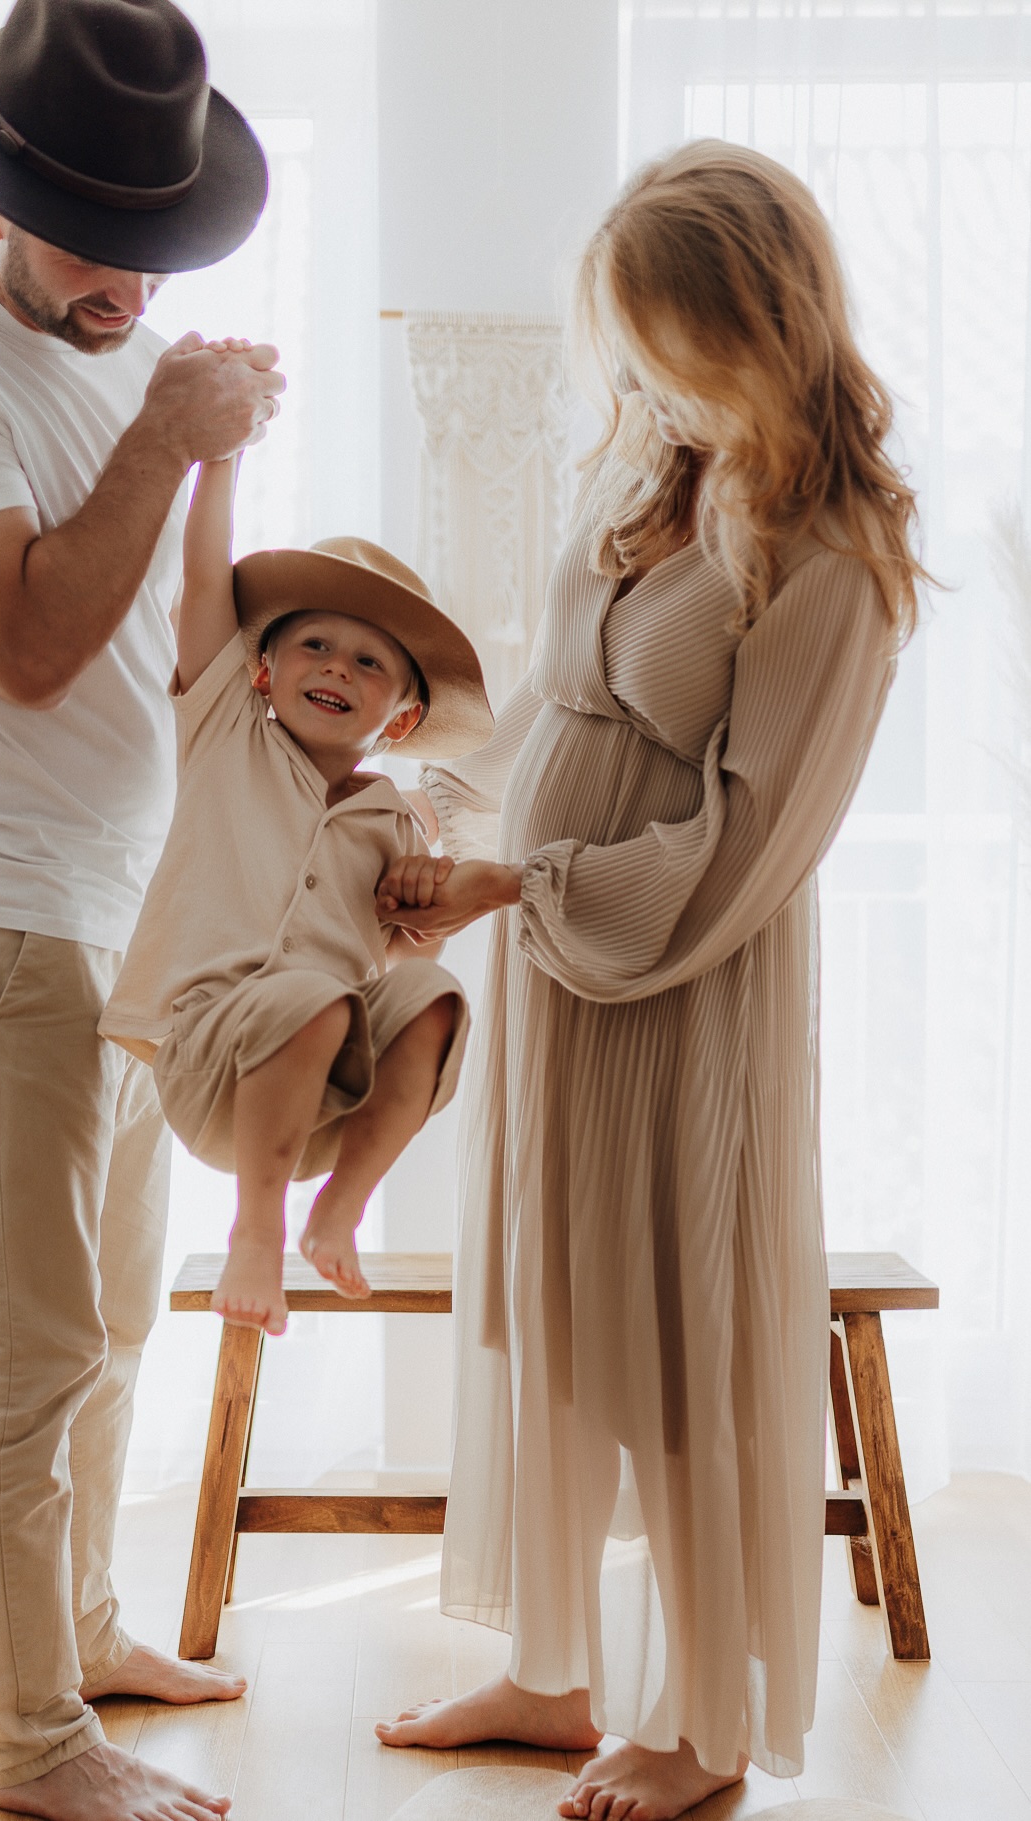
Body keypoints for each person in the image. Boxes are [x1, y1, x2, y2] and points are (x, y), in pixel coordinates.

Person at [372, 140, 926, 1820]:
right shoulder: (657, 477)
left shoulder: (834, 547)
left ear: (750, 324)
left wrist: (515, 880)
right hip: (560, 969)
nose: (644, 386)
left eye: (664, 352)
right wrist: (448, 781)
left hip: (683, 990)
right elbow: (562, 699)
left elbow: (751, 835)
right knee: (558, 1312)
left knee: (683, 1344)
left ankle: (702, 1728)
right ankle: (550, 1674)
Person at [0, 1, 285, 1815]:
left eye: (157, 246)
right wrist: (170, 433)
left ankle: (81, 1632)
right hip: (8, 925)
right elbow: (24, 645)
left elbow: (174, 654)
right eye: (102, 243)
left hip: (130, 925)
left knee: (112, 1325)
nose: (132, 283)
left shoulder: (132, 355)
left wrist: (215, 456)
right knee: (19, 1353)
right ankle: (29, 1752)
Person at [98, 444, 492, 1334]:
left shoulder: (395, 823)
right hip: (212, 1058)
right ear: (263, 669)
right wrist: (220, 460)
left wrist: (425, 897)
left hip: (327, 1092)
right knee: (311, 997)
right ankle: (257, 1230)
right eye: (315, 645)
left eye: (366, 664)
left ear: (401, 718)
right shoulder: (227, 731)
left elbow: (407, 946)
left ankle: (338, 1208)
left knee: (436, 999)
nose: (337, 669)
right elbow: (206, 583)